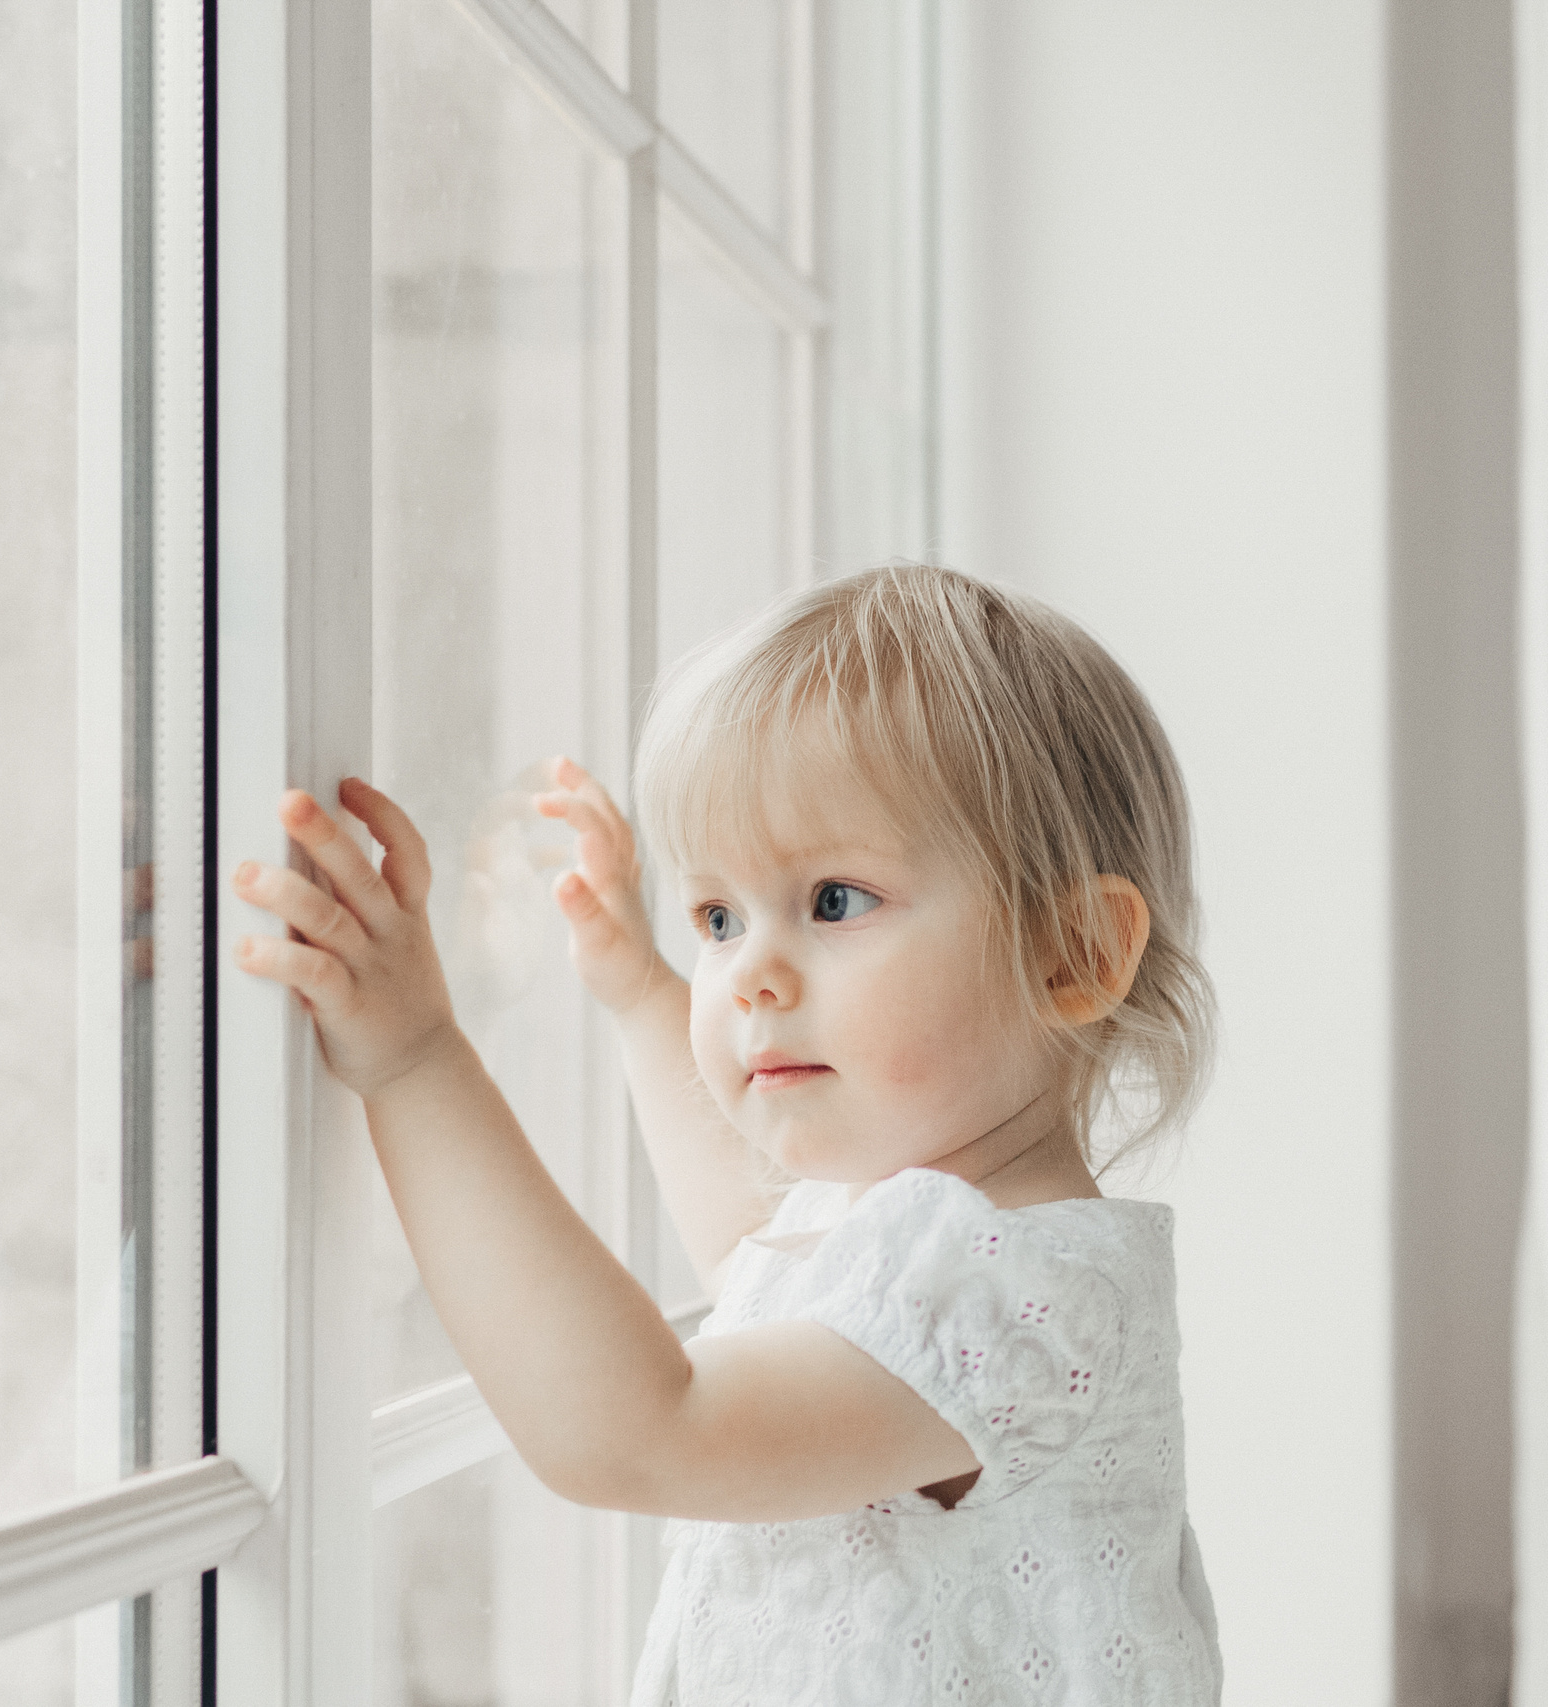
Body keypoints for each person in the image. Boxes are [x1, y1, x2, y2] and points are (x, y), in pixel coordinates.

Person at [229, 565, 1223, 1704]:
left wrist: (415, 1063)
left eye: (834, 901)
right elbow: (753, 1244)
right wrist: (641, 991)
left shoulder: (1021, 1293)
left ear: (1072, 955)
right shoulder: (909, 1234)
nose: (747, 974)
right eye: (716, 917)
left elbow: (638, 1429)